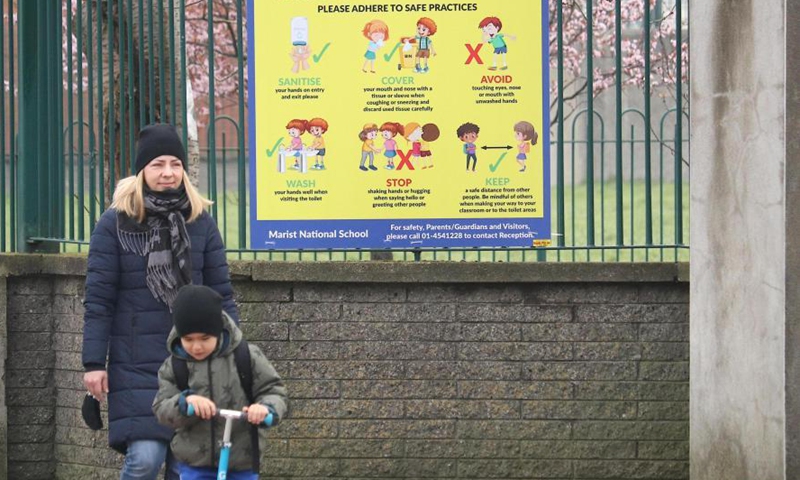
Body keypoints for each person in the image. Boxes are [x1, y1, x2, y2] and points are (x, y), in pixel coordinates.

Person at [82, 124, 239, 480]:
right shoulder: (114, 225)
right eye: (157, 164)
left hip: (194, 363)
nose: (168, 172)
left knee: (183, 469)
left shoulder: (201, 223)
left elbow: (222, 295)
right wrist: (93, 363)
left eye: (175, 164)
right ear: (141, 171)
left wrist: (234, 353)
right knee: (145, 459)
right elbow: (99, 300)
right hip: (135, 363)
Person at [153, 285, 289, 480]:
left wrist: (265, 409)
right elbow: (161, 407)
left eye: (205, 338)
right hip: (195, 463)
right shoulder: (175, 366)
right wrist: (186, 403)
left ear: (218, 331)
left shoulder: (246, 356)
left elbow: (274, 391)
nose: (197, 346)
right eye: (188, 339)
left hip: (242, 460)